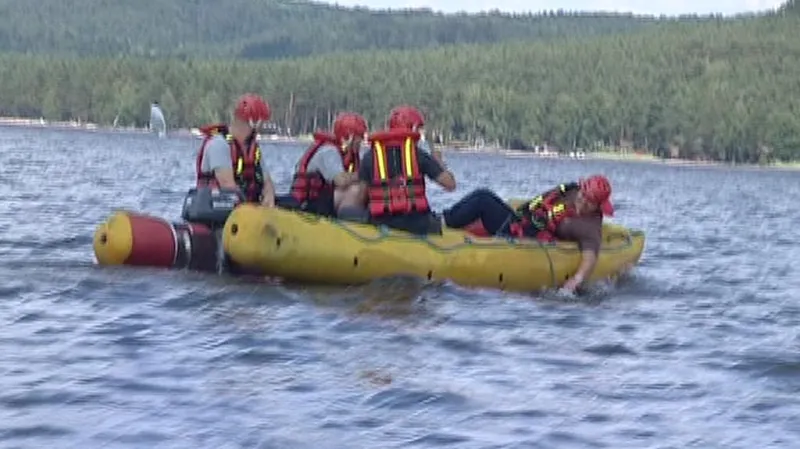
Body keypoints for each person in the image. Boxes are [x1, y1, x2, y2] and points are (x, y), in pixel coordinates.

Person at [442, 175, 614, 293]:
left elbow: (590, 255)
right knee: (483, 196)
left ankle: (445, 223)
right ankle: (444, 222)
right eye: (583, 195)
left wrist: (577, 280)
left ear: (598, 206)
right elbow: (537, 205)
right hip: (520, 224)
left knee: (483, 199)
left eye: (589, 201)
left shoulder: (589, 225)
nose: (582, 202)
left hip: (527, 242)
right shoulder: (570, 192)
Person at [358, 105, 456, 235]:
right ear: (412, 128)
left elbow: (361, 198)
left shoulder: (370, 156)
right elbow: (450, 184)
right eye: (419, 129)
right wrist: (439, 162)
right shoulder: (418, 154)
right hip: (417, 224)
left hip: (381, 223)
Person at [194, 93, 276, 207]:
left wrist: (269, 193)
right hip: (216, 215)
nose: (263, 125)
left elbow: (267, 180)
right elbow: (228, 187)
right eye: (262, 121)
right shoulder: (219, 145)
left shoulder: (253, 148)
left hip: (245, 212)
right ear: (254, 122)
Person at [285, 112, 368, 217]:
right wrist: (365, 174)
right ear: (348, 137)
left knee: (364, 188)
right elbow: (340, 181)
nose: (361, 140)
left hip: (325, 202)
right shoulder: (329, 151)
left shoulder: (350, 155)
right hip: (309, 204)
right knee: (356, 190)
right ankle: (349, 222)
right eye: (359, 136)